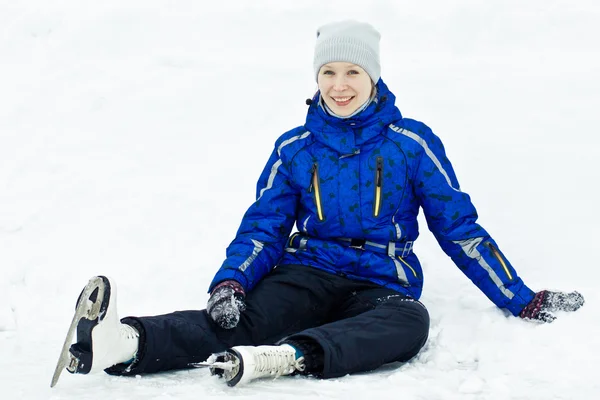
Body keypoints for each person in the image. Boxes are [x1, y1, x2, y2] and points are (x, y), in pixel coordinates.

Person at [59, 20, 585, 388]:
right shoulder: (295, 147)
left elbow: (459, 227)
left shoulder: (411, 143)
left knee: (409, 325)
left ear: (373, 78)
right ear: (316, 79)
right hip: (307, 270)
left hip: (383, 280)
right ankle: (121, 342)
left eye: (352, 73)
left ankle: (284, 359)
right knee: (235, 318)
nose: (339, 85)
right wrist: (231, 283)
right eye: (328, 73)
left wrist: (520, 297)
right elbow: (264, 224)